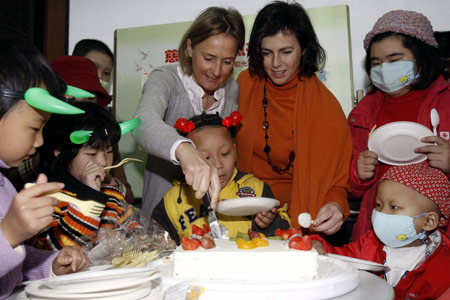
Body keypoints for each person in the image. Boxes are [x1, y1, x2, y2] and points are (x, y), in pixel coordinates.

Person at [235, 1, 352, 233]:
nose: (276, 63)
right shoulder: (244, 85)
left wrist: (336, 205)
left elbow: (338, 183)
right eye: (267, 53)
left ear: (304, 50)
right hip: (242, 214)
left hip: (299, 220)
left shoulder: (326, 107)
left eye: (286, 52)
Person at [134, 6, 245, 218]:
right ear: (190, 47)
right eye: (209, 58)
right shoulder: (166, 79)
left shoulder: (232, 90)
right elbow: (142, 123)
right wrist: (184, 150)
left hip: (211, 217)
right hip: (162, 218)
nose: (217, 71)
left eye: (228, 62)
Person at [349, 10, 450, 241]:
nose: (384, 68)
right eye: (376, 62)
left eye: (394, 60)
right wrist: (358, 173)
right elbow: (353, 188)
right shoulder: (362, 114)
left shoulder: (447, 104)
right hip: (378, 231)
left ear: (422, 57)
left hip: (439, 237)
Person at [0, 35, 89, 298]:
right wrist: (8, 233)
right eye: (34, 128)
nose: (39, 140)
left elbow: (13, 262)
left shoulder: (6, 185)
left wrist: (50, 265)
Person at [311, 162, 450, 300]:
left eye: (394, 207)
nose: (381, 213)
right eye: (378, 204)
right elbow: (340, 259)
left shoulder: (442, 269)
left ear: (429, 221)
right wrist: (317, 247)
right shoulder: (370, 243)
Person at [151, 112, 291, 244]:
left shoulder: (257, 189)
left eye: (224, 153)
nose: (218, 164)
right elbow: (157, 244)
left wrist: (268, 224)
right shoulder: (174, 200)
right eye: (206, 157)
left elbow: (283, 237)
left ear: (235, 151)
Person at [26, 102, 139, 250]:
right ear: (59, 151)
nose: (103, 161)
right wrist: (91, 197)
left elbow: (138, 234)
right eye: (92, 153)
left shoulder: (112, 195)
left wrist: (152, 242)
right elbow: (51, 250)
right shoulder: (47, 200)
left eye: (109, 151)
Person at [51, 55, 134, 204]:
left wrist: (113, 186)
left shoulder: (105, 138)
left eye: (90, 99)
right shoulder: (52, 199)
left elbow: (127, 197)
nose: (102, 161)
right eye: (91, 153)